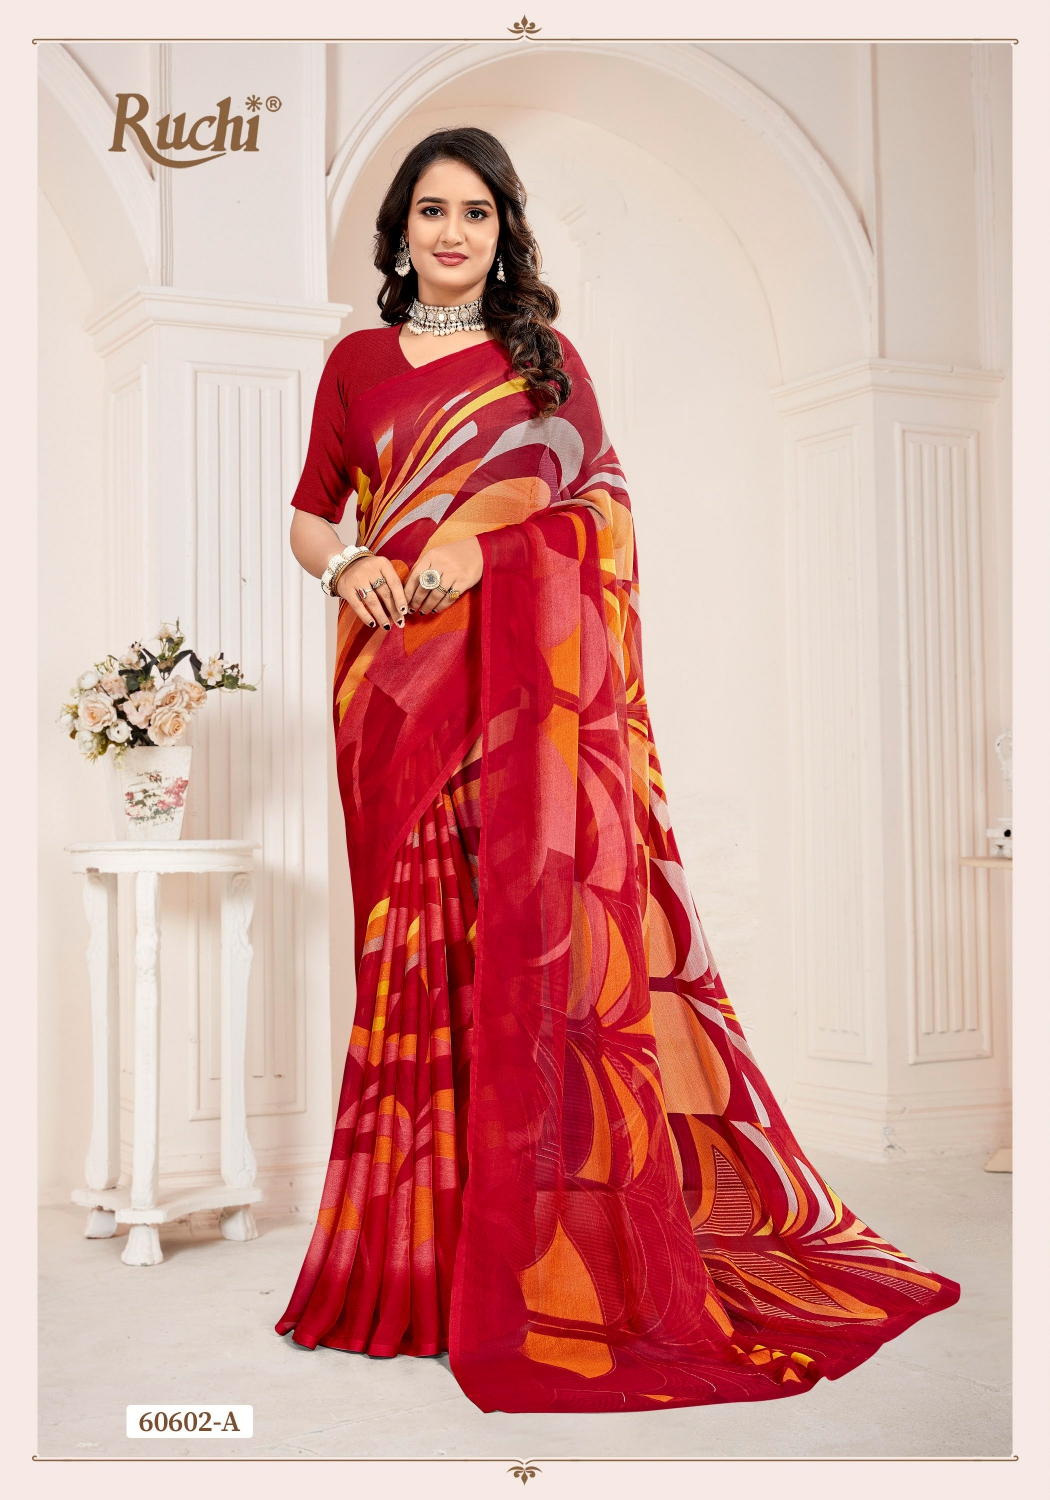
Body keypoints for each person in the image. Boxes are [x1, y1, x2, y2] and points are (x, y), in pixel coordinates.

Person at [275, 126, 959, 1415]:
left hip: (509, 701)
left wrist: (481, 554)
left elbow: (598, 508)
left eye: (477, 212)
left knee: (514, 958)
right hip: (388, 693)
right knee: (409, 964)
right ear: (400, 229)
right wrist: (347, 562)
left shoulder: (544, 360)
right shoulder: (355, 364)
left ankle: (524, 1269)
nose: (453, 233)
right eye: (432, 210)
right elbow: (313, 513)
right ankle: (411, 1268)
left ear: (504, 230)